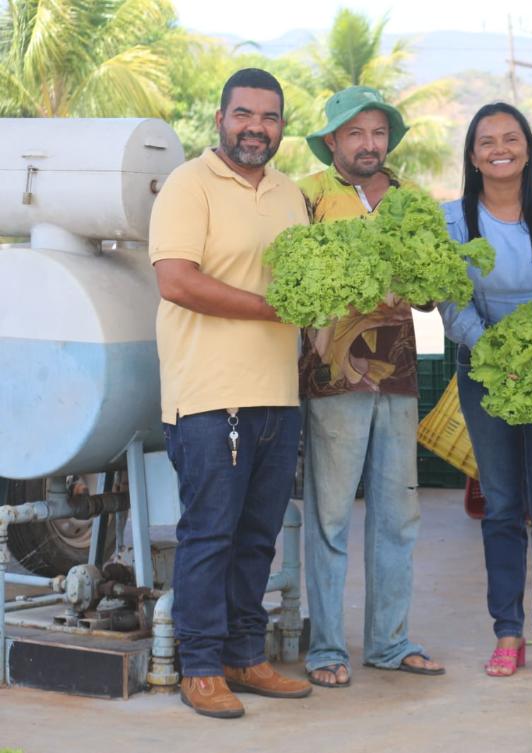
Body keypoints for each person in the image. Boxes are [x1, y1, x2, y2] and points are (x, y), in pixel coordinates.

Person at [149, 68, 313, 718]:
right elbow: (177, 281)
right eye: (244, 114)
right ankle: (200, 665)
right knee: (210, 534)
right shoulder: (190, 185)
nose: (257, 127)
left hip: (277, 394)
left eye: (269, 117)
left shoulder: (288, 192)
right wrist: (271, 307)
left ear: (281, 126)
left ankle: (247, 655)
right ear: (221, 118)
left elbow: (305, 283)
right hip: (208, 398)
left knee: (257, 536)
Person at [297, 86, 444, 689]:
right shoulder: (305, 197)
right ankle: (326, 648)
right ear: (332, 140)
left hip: (399, 377)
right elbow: (292, 280)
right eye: (354, 133)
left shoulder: (410, 200)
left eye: (378, 133)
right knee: (330, 516)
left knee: (398, 515)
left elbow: (433, 289)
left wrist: (421, 279)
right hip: (332, 377)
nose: (368, 144)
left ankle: (389, 642)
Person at [439, 103, 532, 680]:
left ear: (529, 149)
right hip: (486, 370)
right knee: (501, 507)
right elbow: (451, 302)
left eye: (511, 138)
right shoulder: (453, 219)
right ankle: (507, 629)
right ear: (473, 157)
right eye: (486, 141)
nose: (499, 148)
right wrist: (497, 354)